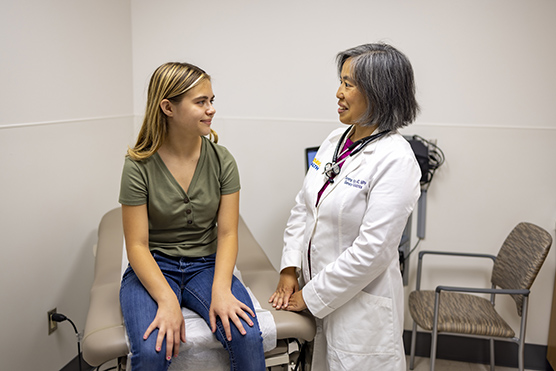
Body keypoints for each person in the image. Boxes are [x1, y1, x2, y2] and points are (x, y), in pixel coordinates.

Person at [269, 43, 421, 370]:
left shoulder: (396, 159)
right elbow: (304, 208)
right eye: (341, 81)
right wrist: (289, 269)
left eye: (349, 84)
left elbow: (373, 251)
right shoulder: (335, 139)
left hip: (360, 316)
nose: (338, 92)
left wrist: (309, 298)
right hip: (317, 296)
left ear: (379, 92)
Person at [119, 62, 266, 371]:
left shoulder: (222, 160)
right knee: (150, 351)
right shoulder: (138, 166)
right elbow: (136, 246)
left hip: (206, 264)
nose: (210, 110)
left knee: (247, 336)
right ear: (167, 107)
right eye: (201, 102)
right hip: (155, 264)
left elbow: (227, 233)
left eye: (211, 101)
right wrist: (167, 300)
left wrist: (222, 289)